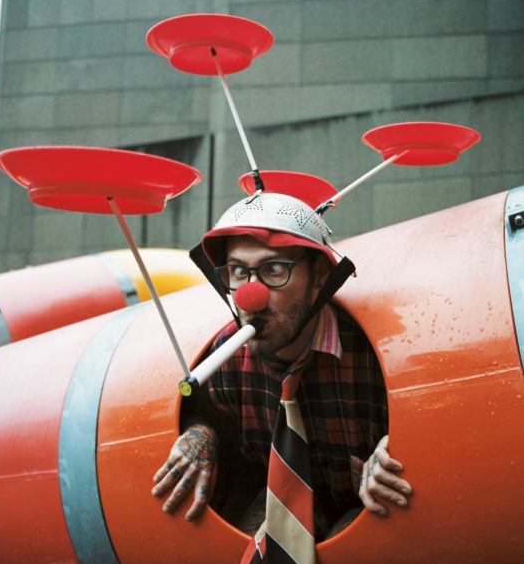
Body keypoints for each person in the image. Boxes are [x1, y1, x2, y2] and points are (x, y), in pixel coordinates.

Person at [152, 190, 413, 538]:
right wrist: (203, 434)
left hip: (374, 517)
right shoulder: (225, 359)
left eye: (274, 270)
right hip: (287, 504)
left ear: (319, 274)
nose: (251, 295)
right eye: (238, 272)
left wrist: (403, 445)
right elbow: (202, 410)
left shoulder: (374, 354)